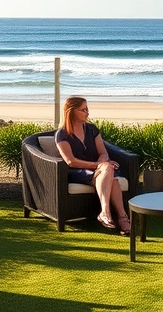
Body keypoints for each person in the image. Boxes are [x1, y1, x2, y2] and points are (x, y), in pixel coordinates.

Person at [54, 97, 131, 235]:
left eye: (87, 109)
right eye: (83, 110)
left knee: (110, 174)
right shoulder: (62, 134)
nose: (87, 113)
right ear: (71, 112)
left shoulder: (92, 129)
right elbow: (70, 161)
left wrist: (102, 163)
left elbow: (103, 153)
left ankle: (107, 214)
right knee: (108, 169)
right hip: (77, 172)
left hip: (100, 170)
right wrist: (98, 165)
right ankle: (120, 217)